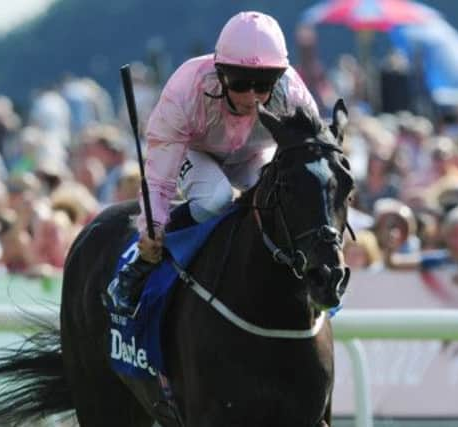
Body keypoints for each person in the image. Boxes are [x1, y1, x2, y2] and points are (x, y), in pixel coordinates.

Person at [110, 11, 320, 316]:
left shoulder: (293, 94)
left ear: (279, 78)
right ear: (220, 73)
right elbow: (159, 179)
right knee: (215, 199)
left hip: (252, 155)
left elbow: (314, 155)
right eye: (239, 82)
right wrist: (152, 227)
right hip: (196, 154)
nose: (252, 97)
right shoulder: (186, 90)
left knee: (276, 203)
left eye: (263, 84)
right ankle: (140, 266)